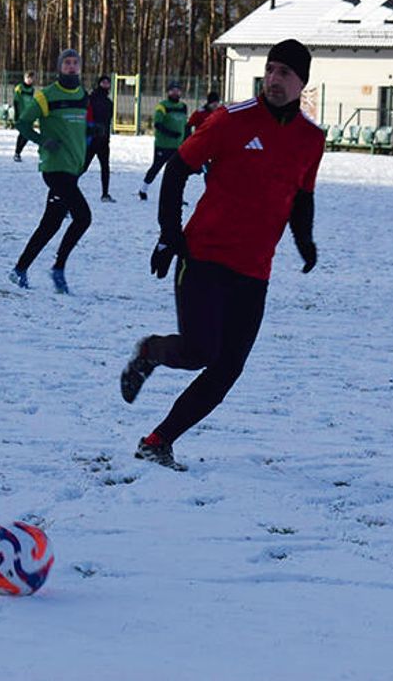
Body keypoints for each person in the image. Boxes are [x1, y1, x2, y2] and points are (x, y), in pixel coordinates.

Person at [120, 39, 324, 471]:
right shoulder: (230, 120)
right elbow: (177, 168)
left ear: (303, 82)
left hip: (254, 271)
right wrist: (168, 234)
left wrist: (304, 242)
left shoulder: (311, 139)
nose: (273, 79)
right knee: (199, 351)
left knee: (228, 368)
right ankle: (150, 351)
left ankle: (158, 441)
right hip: (204, 256)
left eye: (285, 73)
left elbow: (301, 196)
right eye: (270, 70)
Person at [9, 49, 90, 294]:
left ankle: (19, 269)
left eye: (75, 62)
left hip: (73, 168)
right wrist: (42, 140)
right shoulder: (47, 96)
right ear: (59, 67)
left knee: (51, 223)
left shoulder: (83, 95)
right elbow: (21, 122)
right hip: (55, 169)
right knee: (83, 217)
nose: (72, 66)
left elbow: (86, 125)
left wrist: (95, 133)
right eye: (67, 63)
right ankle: (58, 268)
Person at [137, 80, 188, 201]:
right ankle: (143, 190)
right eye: (173, 90)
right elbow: (158, 124)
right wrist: (171, 134)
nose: (175, 93)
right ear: (168, 92)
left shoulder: (183, 107)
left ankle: (177, 196)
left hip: (177, 146)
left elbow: (185, 125)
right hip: (163, 145)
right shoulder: (162, 106)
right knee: (156, 168)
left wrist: (186, 138)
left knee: (177, 173)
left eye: (178, 90)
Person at [84, 74, 115, 202]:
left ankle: (105, 194)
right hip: (92, 139)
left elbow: (108, 120)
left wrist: (106, 136)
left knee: (105, 167)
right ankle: (67, 187)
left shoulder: (109, 102)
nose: (106, 84)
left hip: (104, 140)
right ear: (99, 84)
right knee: (83, 166)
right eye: (103, 82)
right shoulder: (91, 99)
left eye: (108, 82)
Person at [12, 71, 37, 162]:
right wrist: (16, 115)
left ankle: (18, 153)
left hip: (28, 115)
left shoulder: (32, 90)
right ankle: (17, 153)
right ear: (25, 78)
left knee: (27, 135)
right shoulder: (19, 88)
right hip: (21, 115)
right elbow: (16, 101)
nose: (30, 80)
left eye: (32, 78)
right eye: (28, 78)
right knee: (23, 133)